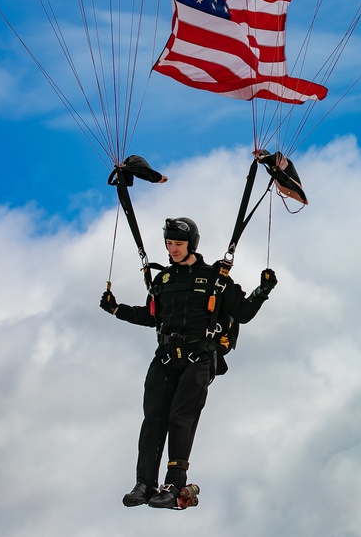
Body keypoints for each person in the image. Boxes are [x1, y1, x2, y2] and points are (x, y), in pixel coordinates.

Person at [99, 217, 277, 509]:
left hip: (199, 359)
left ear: (191, 244)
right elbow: (151, 316)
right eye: (169, 244)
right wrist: (116, 309)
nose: (173, 249)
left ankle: (174, 484)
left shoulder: (214, 278)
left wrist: (262, 291)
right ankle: (144, 483)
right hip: (165, 357)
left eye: (178, 244)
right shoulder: (163, 279)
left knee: (180, 417)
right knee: (153, 419)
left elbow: (242, 313)